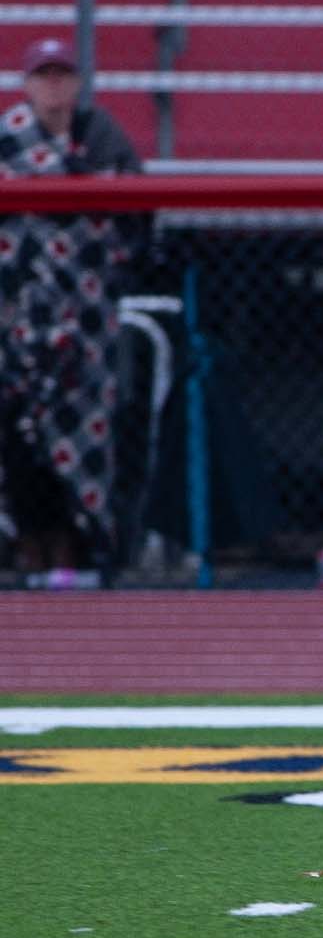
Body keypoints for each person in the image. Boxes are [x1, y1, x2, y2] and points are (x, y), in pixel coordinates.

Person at [0, 38, 142, 589]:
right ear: (27, 84)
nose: (54, 86)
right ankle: (27, 545)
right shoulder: (8, 137)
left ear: (78, 83)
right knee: (18, 434)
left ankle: (78, 549)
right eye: (44, 75)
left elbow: (129, 211)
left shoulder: (102, 134)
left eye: (63, 74)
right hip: (16, 316)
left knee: (83, 430)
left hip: (84, 320)